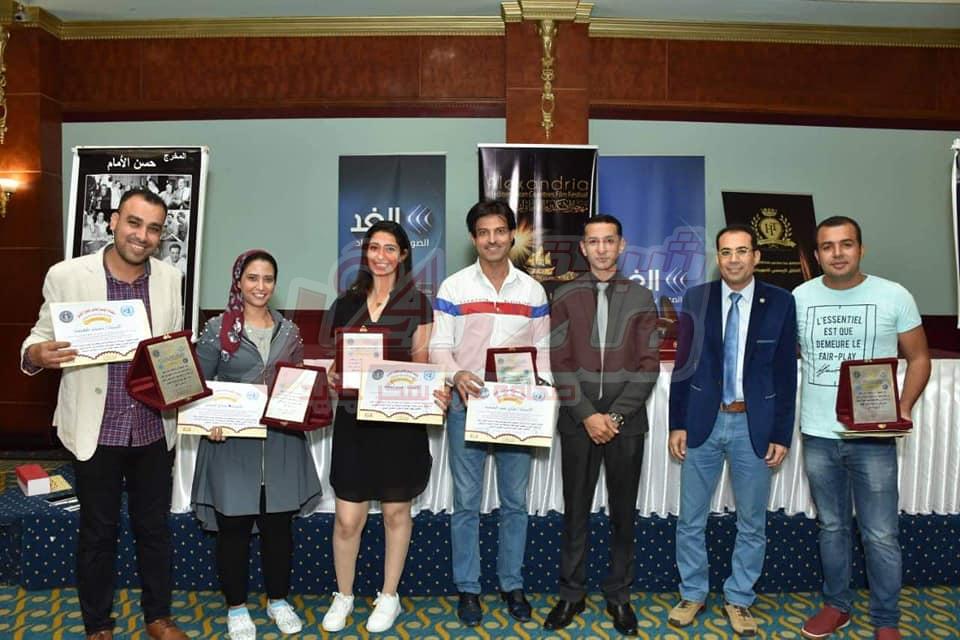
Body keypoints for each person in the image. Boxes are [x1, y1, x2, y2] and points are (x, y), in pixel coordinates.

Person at [20, 189, 187, 640]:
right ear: (113, 221)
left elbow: (171, 347)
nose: (142, 235)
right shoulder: (67, 275)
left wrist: (182, 379)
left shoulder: (170, 278)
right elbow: (36, 337)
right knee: (98, 532)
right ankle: (98, 624)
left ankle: (158, 617)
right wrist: (37, 354)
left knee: (155, 530)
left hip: (152, 429)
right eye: (134, 223)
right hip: (97, 428)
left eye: (153, 228)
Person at [795, 217, 930, 640]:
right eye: (828, 246)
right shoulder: (799, 297)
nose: (837, 253)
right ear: (817, 255)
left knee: (881, 533)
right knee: (832, 527)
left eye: (846, 244)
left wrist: (902, 407)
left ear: (861, 249)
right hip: (818, 434)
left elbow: (919, 358)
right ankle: (837, 606)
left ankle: (886, 619)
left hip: (873, 436)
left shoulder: (894, 295)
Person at [668, 224, 797, 636]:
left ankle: (739, 598)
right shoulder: (697, 298)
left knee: (752, 522)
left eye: (742, 251)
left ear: (756, 256)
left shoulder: (781, 302)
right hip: (703, 422)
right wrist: (677, 423)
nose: (734, 259)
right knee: (691, 518)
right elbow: (683, 365)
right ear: (718, 257)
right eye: (726, 252)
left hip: (753, 426)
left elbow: (786, 373)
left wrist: (781, 433)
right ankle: (693, 593)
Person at [319, 220, 448, 634]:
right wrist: (335, 377)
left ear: (403, 254)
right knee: (347, 519)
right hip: (354, 421)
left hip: (398, 422)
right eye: (374, 247)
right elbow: (338, 365)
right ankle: (344, 594)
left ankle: (389, 595)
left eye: (390, 248)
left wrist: (433, 391)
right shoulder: (345, 303)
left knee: (395, 512)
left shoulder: (418, 304)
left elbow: (422, 364)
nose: (381, 256)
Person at [429, 200, 552, 627]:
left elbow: (543, 351)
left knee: (515, 502)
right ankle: (468, 588)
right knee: (466, 503)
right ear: (473, 238)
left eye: (500, 231)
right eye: (484, 232)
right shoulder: (454, 288)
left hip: (517, 409)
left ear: (511, 235)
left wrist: (543, 393)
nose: (493, 239)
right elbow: (439, 347)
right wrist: (456, 374)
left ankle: (511, 584)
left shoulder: (532, 291)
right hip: (467, 404)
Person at [191, 249, 322, 640]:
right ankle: (236, 607)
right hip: (231, 446)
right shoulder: (217, 329)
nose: (260, 286)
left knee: (278, 529)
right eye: (252, 278)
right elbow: (198, 386)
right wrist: (209, 422)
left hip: (281, 444)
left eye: (267, 279)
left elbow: (296, 381)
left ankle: (278, 600)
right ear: (238, 281)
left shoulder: (289, 330)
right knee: (233, 529)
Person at [545, 214, 660, 635]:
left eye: (609, 240)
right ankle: (571, 593)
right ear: (583, 248)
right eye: (593, 241)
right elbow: (559, 362)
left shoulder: (642, 296)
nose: (601, 248)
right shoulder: (564, 294)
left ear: (622, 245)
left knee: (623, 514)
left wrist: (613, 416)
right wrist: (587, 415)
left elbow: (648, 366)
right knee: (575, 511)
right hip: (578, 421)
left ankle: (619, 596)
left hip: (626, 424)